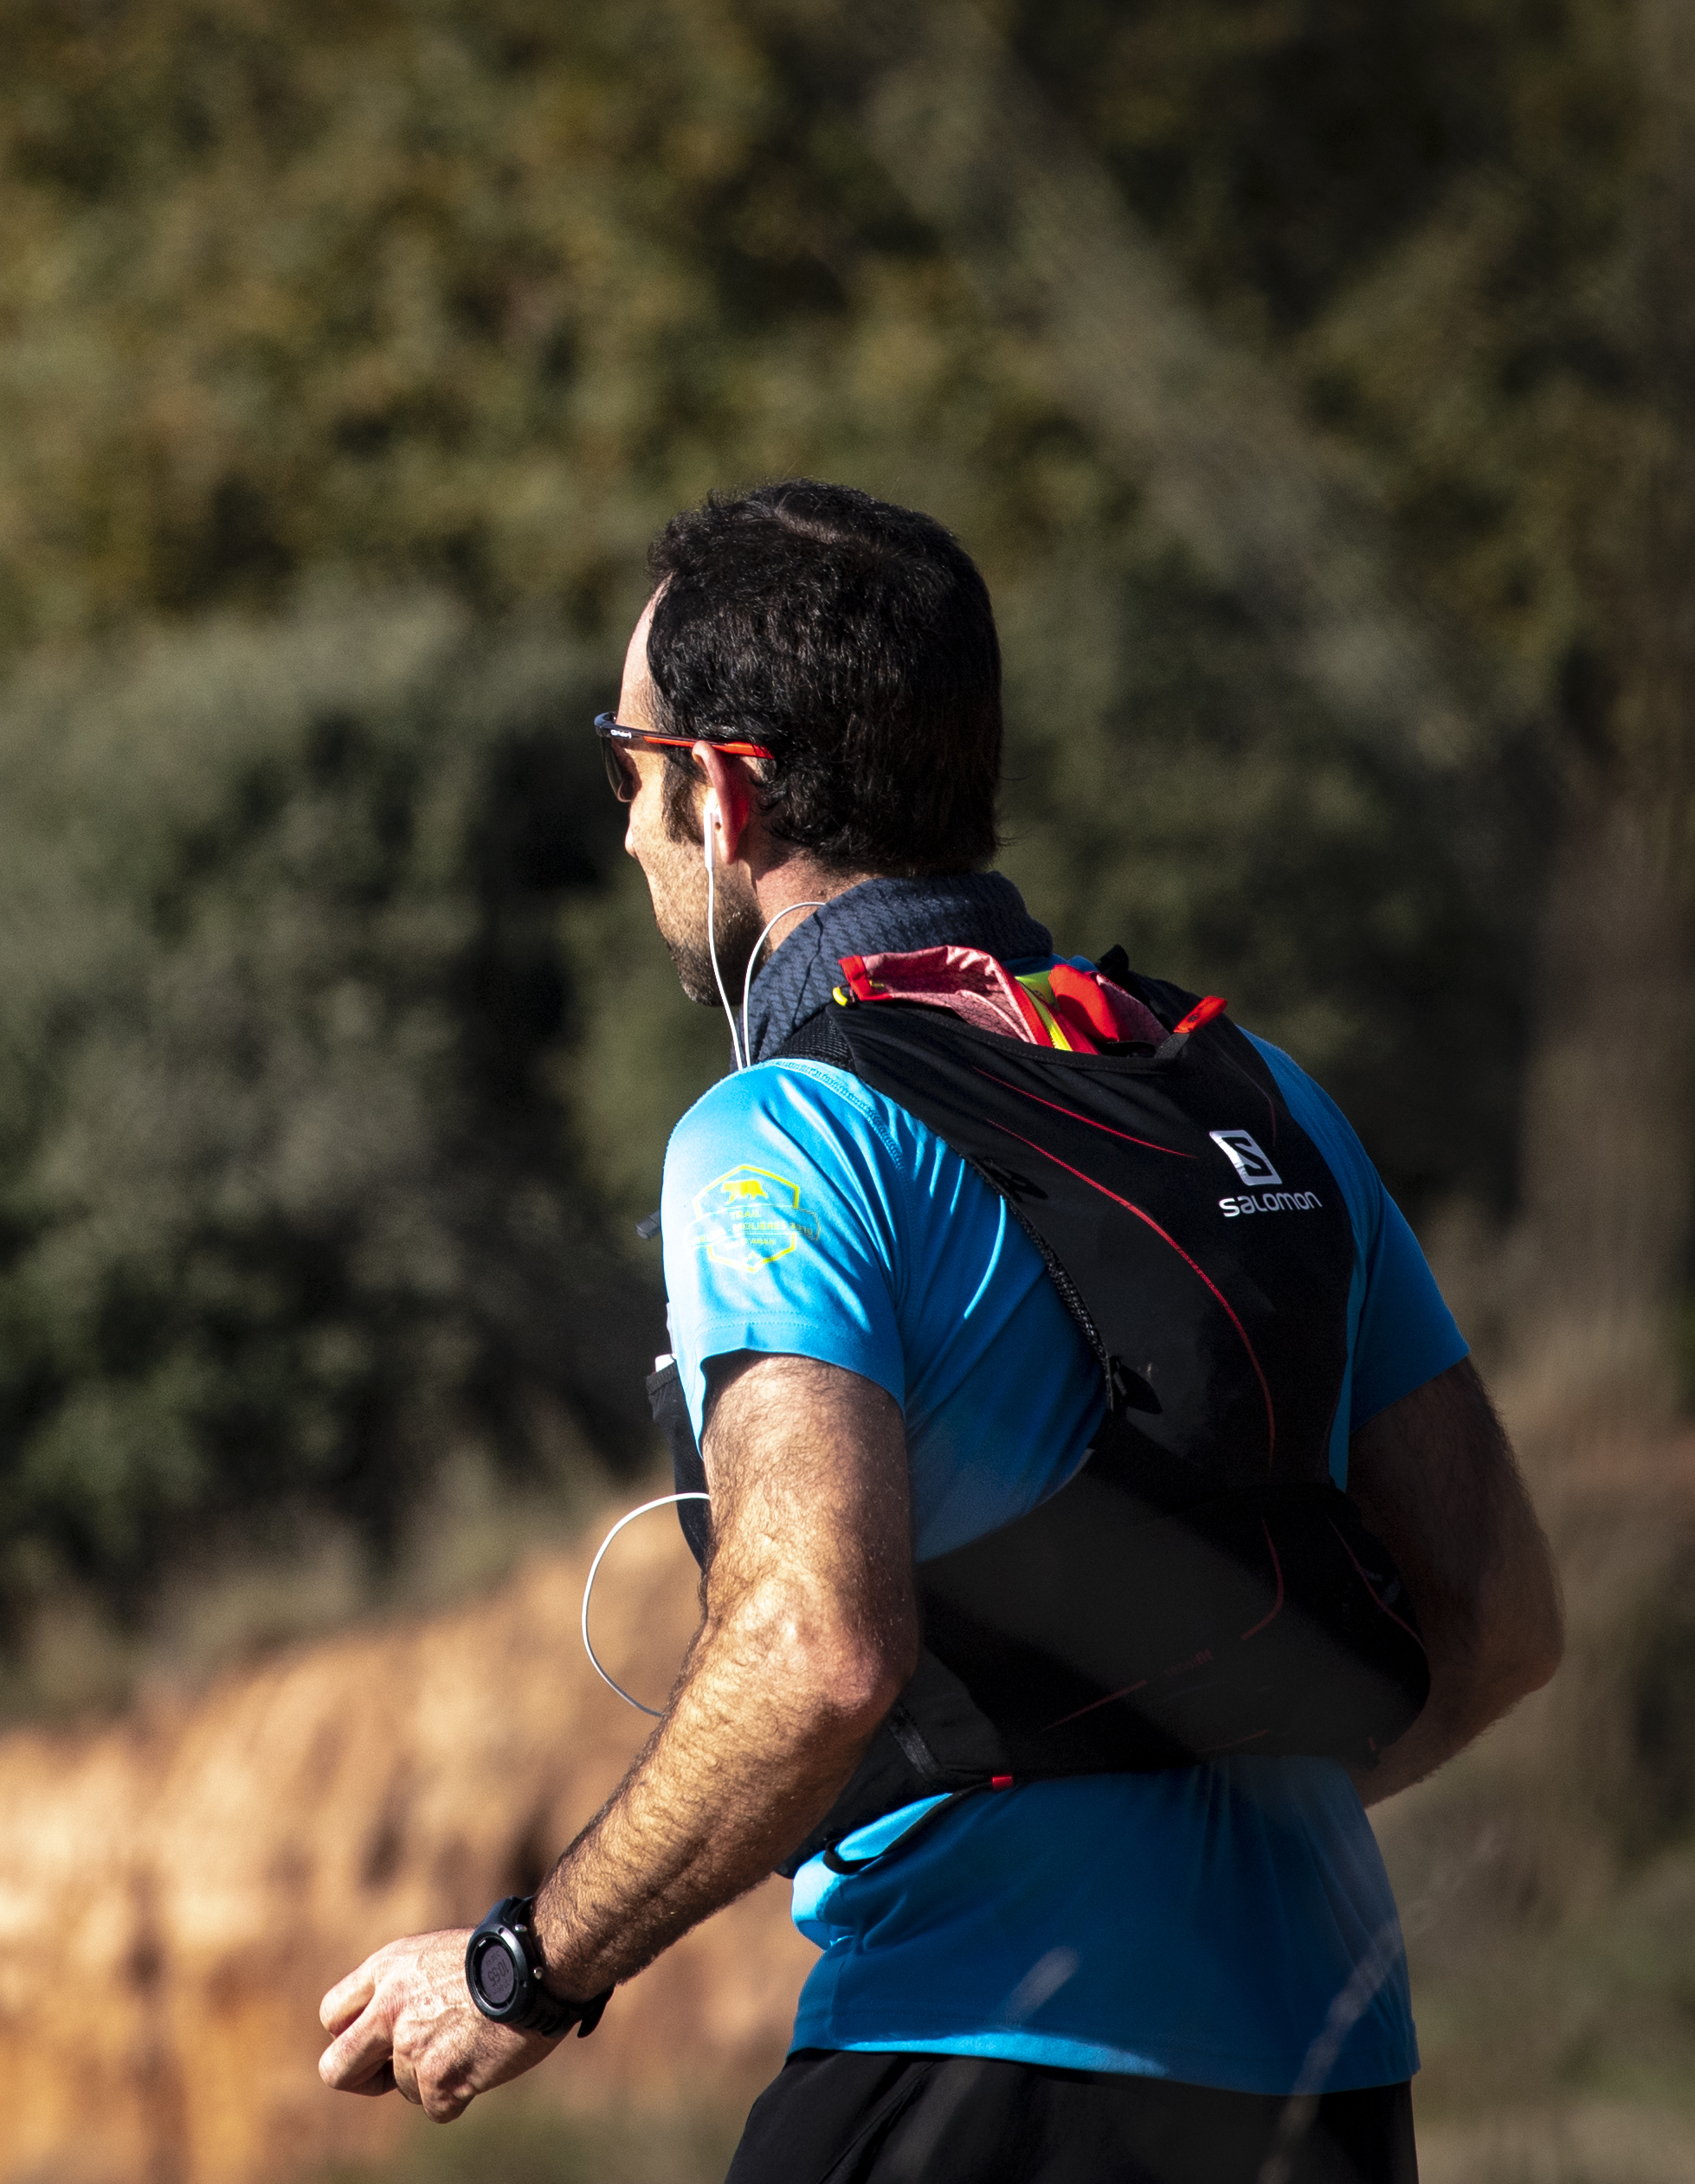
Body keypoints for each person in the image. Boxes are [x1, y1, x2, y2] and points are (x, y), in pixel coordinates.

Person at [314, 480, 1563, 2182]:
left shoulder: (785, 1131)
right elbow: (1499, 1617)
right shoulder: (1258, 1090)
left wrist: (522, 1967)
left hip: (982, 2050)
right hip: (1329, 2076)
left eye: (627, 769)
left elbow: (810, 1653)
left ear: (723, 792)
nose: (623, 833)